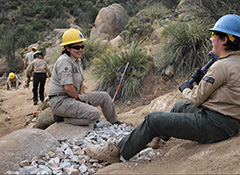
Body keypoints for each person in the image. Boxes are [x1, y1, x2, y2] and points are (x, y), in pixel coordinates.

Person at [85, 14, 240, 163]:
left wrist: (186, 88)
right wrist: (202, 82)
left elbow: (197, 98)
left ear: (225, 39)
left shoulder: (221, 66)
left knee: (153, 120)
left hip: (215, 125)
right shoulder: (234, 62)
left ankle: (117, 152)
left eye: (214, 35)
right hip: (229, 122)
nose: (211, 39)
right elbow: (225, 93)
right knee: (180, 107)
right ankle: (154, 137)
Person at [48, 28, 122, 126]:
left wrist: (83, 99)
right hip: (61, 101)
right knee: (95, 114)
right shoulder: (64, 61)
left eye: (82, 46)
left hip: (73, 97)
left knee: (104, 96)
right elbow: (68, 88)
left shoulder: (77, 60)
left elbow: (81, 83)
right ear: (67, 48)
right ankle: (64, 119)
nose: (81, 50)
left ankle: (114, 122)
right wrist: (80, 99)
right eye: (77, 47)